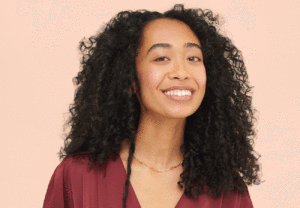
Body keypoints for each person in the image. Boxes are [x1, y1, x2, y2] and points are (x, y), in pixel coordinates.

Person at [43, 4, 262, 208]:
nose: (181, 72)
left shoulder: (227, 190)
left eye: (193, 58)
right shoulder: (77, 176)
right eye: (162, 58)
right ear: (130, 78)